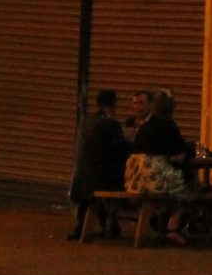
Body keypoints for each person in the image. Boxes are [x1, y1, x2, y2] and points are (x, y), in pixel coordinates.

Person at [126, 90, 194, 244]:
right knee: (191, 187)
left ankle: (164, 224)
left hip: (136, 181)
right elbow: (181, 151)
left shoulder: (144, 127)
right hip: (156, 182)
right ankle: (173, 227)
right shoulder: (169, 127)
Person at [66, 89, 130, 240]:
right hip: (100, 178)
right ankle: (110, 224)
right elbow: (121, 149)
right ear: (114, 104)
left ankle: (87, 226)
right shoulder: (111, 124)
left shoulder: (87, 120)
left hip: (83, 176)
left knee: (96, 189)